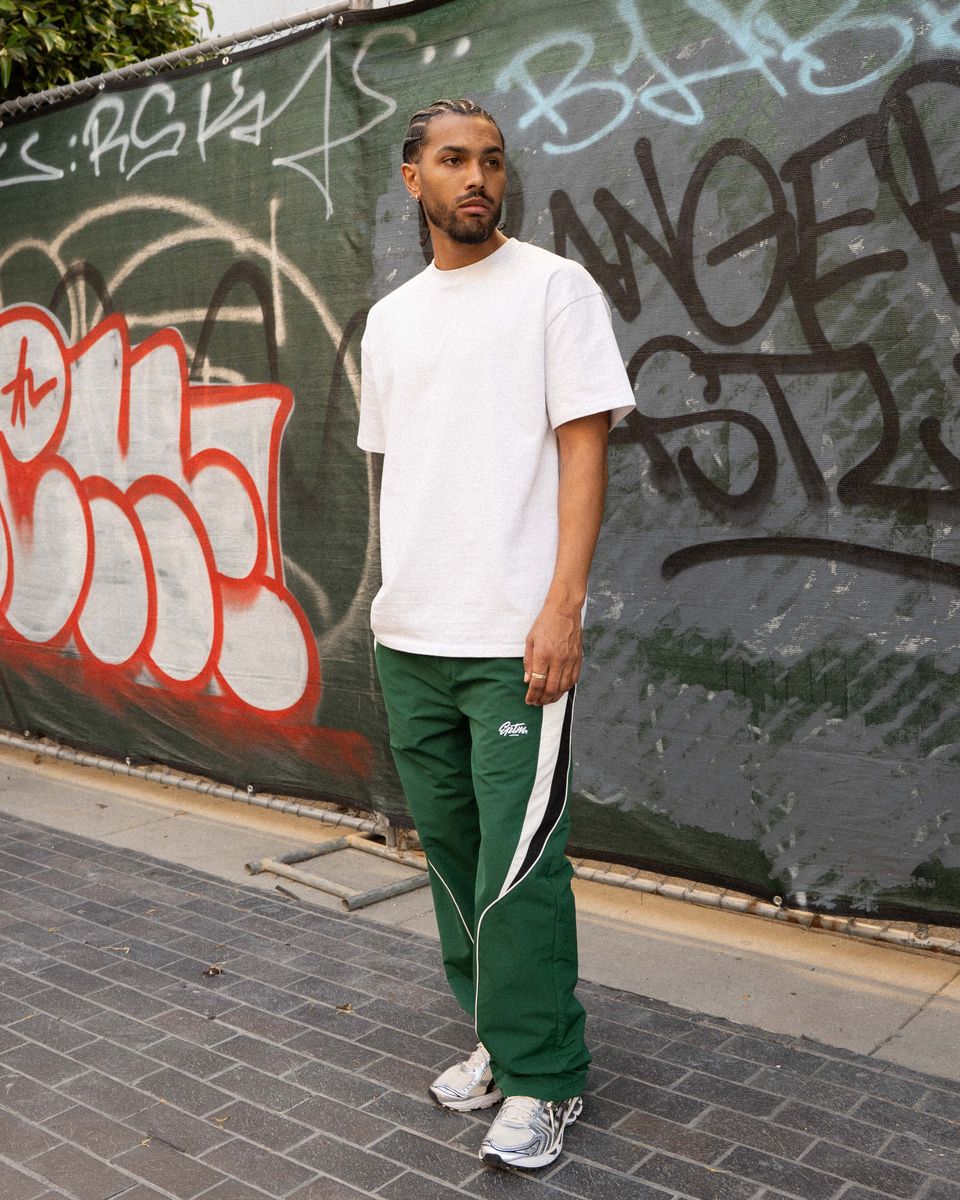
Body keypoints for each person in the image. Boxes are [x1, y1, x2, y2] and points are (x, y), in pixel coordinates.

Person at [358, 98, 635, 1170]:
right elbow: (407, 473)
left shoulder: (555, 291)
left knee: (521, 872)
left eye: (491, 161)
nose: (477, 177)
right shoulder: (392, 320)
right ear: (412, 179)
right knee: (459, 862)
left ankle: (545, 1076)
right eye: (452, 160)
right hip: (411, 635)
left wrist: (561, 605)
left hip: (515, 638)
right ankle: (495, 1036)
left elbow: (583, 452)